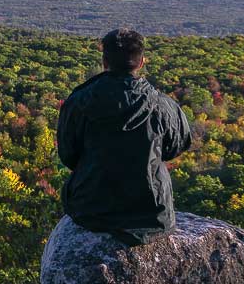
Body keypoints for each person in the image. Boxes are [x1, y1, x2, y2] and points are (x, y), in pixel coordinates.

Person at [56, 28, 192, 246]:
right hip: (152, 212)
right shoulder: (164, 105)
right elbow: (177, 146)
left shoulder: (80, 102)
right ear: (142, 62)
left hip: (91, 207)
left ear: (104, 61)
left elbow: (68, 154)